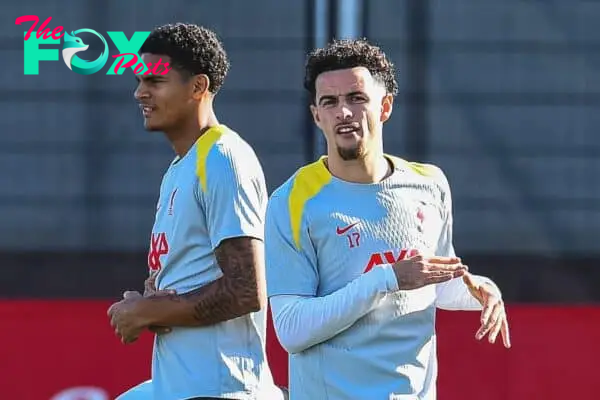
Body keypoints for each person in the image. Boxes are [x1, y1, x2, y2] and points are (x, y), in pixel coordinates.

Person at [265, 38, 511, 400]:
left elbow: (434, 283)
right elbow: (291, 329)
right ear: (316, 114)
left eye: (356, 98)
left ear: (385, 106)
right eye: (329, 102)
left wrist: (483, 291)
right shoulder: (291, 201)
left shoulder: (429, 183)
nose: (343, 113)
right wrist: (387, 278)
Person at [106, 23, 284, 400]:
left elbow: (246, 290)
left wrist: (149, 311)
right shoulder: (181, 167)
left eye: (154, 81)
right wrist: (153, 300)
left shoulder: (223, 158)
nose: (140, 92)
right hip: (180, 386)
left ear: (198, 87)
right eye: (139, 81)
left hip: (221, 388)